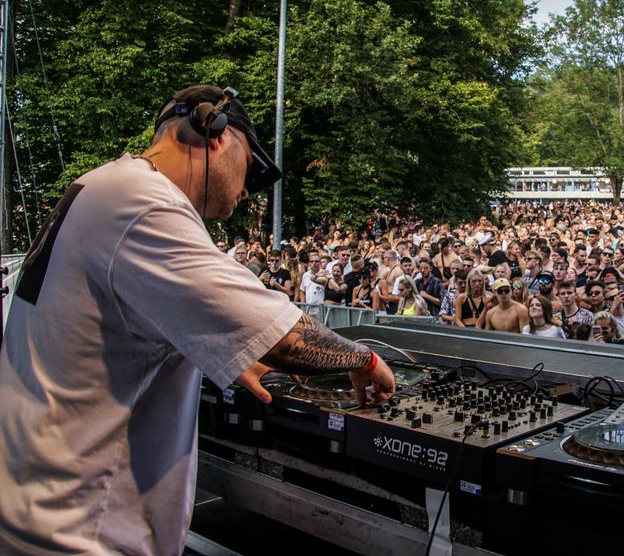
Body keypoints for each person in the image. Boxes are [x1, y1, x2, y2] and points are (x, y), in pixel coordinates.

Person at [0, 85, 395, 554]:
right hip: (81, 530)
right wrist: (363, 360)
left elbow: (121, 322)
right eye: (249, 166)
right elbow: (287, 340)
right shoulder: (145, 203)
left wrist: (227, 348)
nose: (247, 190)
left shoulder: (101, 186)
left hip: (34, 503)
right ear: (216, 134)